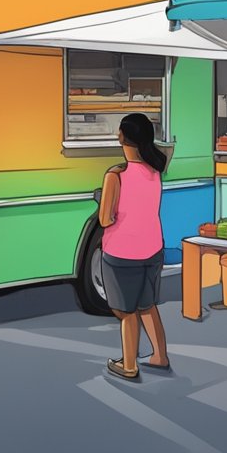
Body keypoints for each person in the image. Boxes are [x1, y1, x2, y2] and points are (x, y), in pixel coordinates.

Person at [97, 113, 170, 381]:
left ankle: (129, 365)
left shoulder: (115, 176)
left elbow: (105, 219)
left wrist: (103, 203)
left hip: (121, 253)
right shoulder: (154, 171)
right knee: (147, 305)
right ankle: (160, 356)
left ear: (122, 138)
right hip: (152, 248)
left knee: (126, 312)